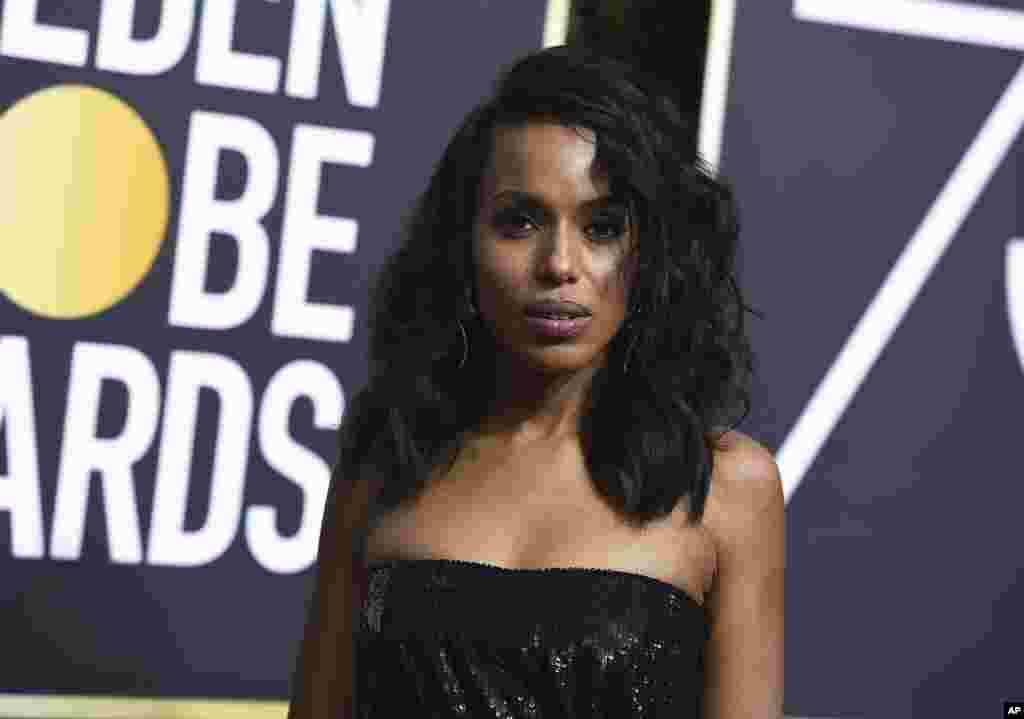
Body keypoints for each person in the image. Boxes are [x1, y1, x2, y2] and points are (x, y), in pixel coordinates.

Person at [287, 44, 784, 719]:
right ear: (462, 242)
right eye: (519, 221)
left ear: (651, 255)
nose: (559, 264)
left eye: (602, 226)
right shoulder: (384, 461)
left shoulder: (729, 486)